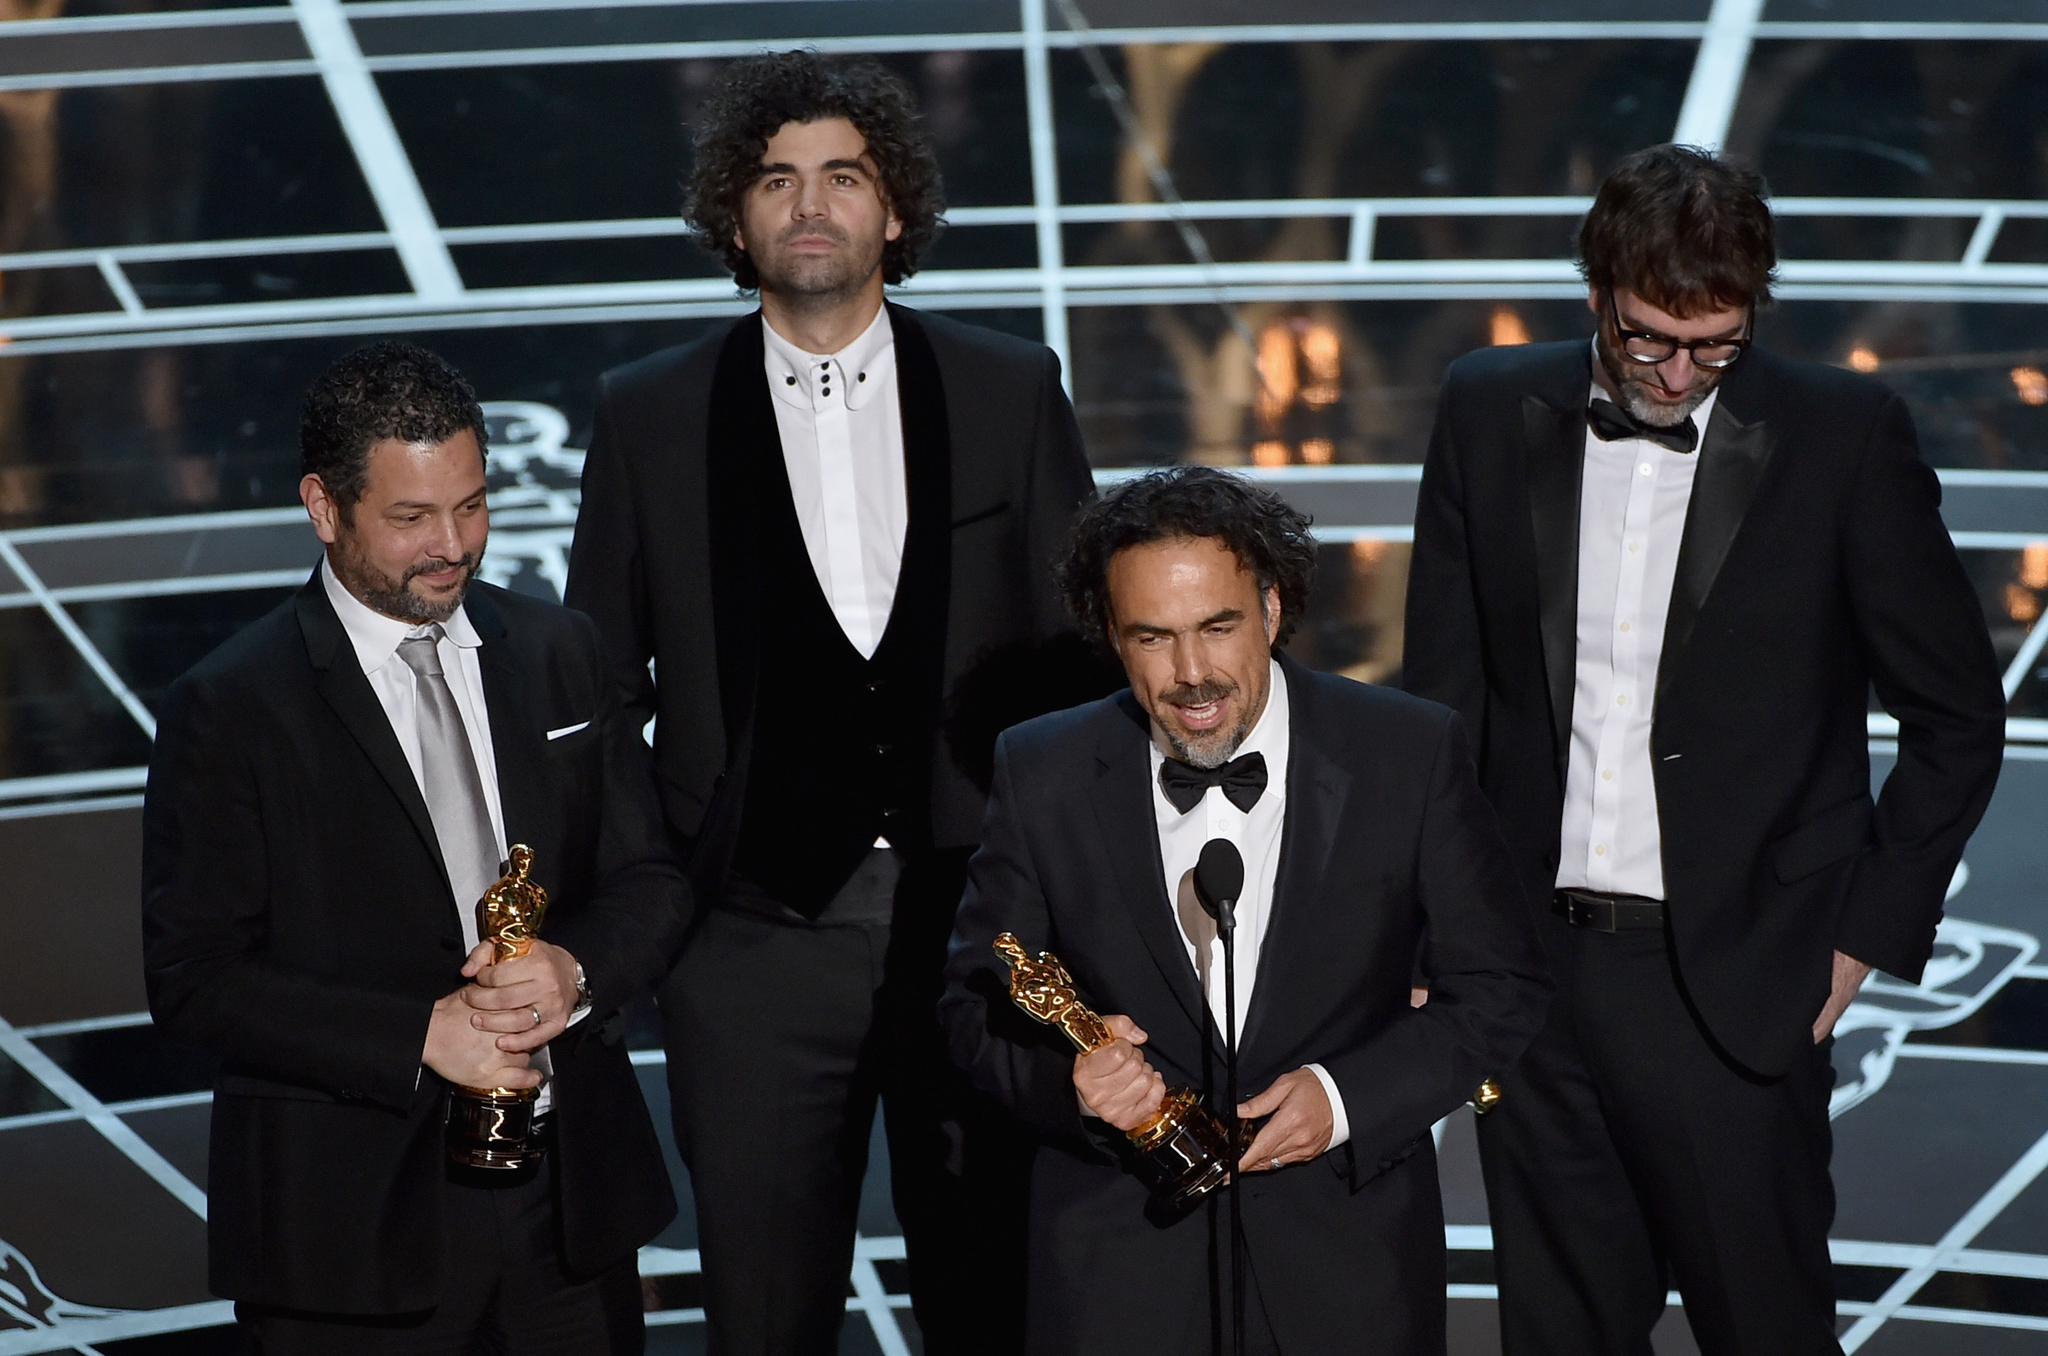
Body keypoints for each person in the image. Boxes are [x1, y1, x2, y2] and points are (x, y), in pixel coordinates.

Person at [1403, 144, 2008, 1354]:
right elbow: (1444, 701)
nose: (1679, 376)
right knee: (1557, 1334)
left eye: (1713, 348)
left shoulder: (1840, 436)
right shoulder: (1484, 405)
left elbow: (1956, 717)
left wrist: (1856, 938)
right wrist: (1432, 927)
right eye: (1646, 341)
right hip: (1530, 974)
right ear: (1595, 294)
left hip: (1739, 977)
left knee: (1763, 1328)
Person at [562, 51, 1098, 1356]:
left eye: (842, 176)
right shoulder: (647, 414)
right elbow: (591, 691)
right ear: (733, 219)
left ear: (894, 209)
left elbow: (1083, 661)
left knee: (991, 1297)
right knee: (761, 1313)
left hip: (982, 932)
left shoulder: (1008, 386)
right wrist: (669, 899)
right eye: (776, 177)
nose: (810, 203)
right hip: (747, 945)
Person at [142, 342, 688, 1354]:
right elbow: (194, 977)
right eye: (410, 518)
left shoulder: (562, 651)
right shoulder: (231, 704)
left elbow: (647, 878)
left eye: (470, 506)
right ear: (323, 507)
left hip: (569, 1218)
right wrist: (419, 1037)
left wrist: (573, 972)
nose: (452, 546)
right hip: (345, 1234)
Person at [938, 467, 1551, 1355]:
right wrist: (1068, 1083)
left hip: (1348, 1269)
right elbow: (970, 1006)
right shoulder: (1044, 769)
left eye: (1218, 627)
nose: (1191, 674)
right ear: (1113, 635)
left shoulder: (1406, 750)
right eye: (1154, 637)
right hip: (1118, 1273)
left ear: (1270, 609)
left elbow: (1500, 986)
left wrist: (1342, 1101)